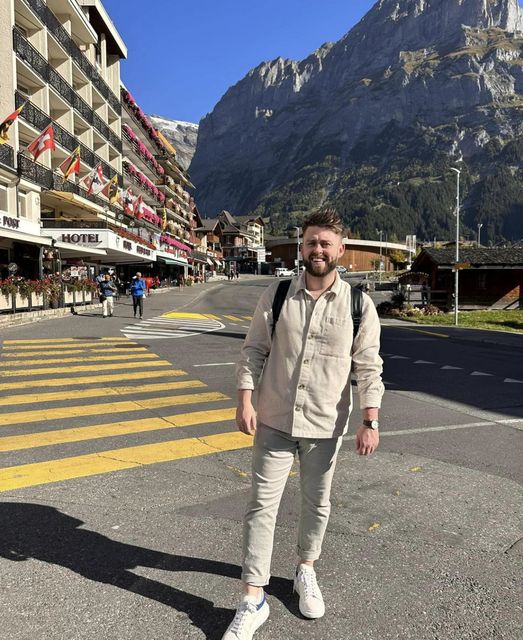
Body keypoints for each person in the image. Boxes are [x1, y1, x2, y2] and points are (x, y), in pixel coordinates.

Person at [222, 209, 384, 640]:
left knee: (317, 505)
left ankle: (305, 570)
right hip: (273, 419)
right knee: (261, 505)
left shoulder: (358, 304)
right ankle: (253, 598)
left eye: (325, 243)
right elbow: (254, 350)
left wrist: (370, 419)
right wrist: (244, 398)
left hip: (325, 426)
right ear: (301, 247)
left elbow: (369, 367)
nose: (317, 250)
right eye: (311, 242)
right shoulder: (277, 295)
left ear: (340, 250)